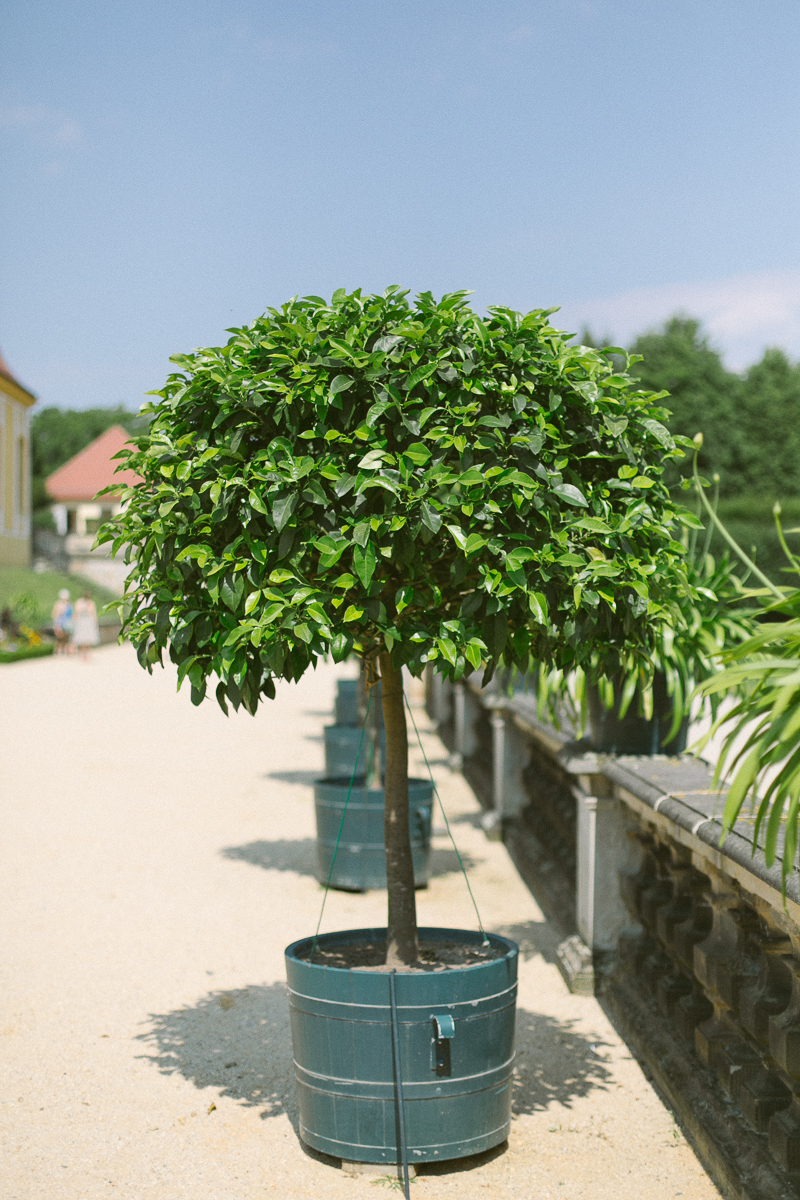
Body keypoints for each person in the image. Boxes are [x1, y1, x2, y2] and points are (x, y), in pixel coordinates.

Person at [71, 591, 100, 661]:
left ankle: (87, 654)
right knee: (81, 639)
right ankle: (82, 654)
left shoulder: (91, 603)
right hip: (81, 622)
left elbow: (94, 614)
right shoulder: (79, 602)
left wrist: (95, 623)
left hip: (88, 622)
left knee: (88, 639)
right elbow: (76, 612)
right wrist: (74, 622)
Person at [51, 588, 73, 655]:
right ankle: (58, 650)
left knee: (66, 637)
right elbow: (54, 614)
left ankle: (64, 649)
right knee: (59, 637)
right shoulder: (58, 604)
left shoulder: (69, 605)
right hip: (59, 622)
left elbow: (71, 615)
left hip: (67, 623)